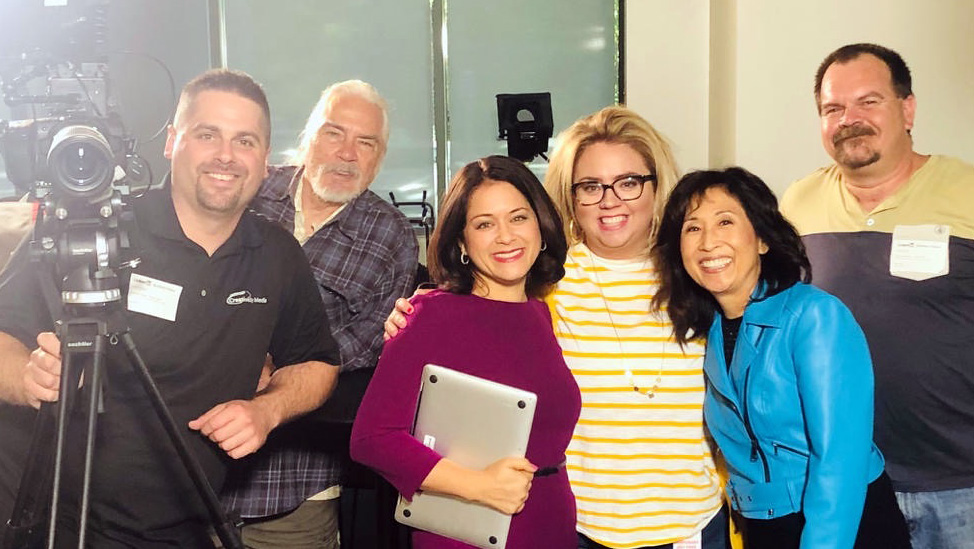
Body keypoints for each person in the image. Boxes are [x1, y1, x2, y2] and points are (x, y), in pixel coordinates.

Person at [0, 69, 341, 547]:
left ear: (265, 160)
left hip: (187, 526)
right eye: (207, 134)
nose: (226, 155)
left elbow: (317, 363)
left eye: (245, 141)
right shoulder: (91, 229)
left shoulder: (277, 255)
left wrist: (267, 410)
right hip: (54, 519)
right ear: (171, 142)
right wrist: (27, 377)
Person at [387, 107, 728, 549]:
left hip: (691, 527)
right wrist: (413, 316)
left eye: (628, 182)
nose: (610, 201)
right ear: (570, 196)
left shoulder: (699, 273)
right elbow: (469, 306)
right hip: (574, 528)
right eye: (590, 187)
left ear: (655, 184)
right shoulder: (543, 283)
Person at [651, 166, 909, 549]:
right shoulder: (710, 331)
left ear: (762, 240)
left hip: (843, 522)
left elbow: (840, 460)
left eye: (725, 222)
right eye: (692, 228)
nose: (708, 242)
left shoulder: (814, 316)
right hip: (763, 527)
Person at [779, 43, 974, 549]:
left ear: (908, 109)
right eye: (833, 108)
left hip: (960, 484)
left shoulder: (966, 192)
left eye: (868, 101)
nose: (850, 119)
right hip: (848, 480)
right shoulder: (798, 203)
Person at [220, 80, 418, 547]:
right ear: (307, 136)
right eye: (334, 133)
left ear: (379, 157)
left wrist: (278, 368)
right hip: (192, 476)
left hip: (295, 487)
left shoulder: (391, 237)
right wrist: (239, 356)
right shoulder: (246, 189)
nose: (347, 154)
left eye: (365, 142)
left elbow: (369, 341)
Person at [350, 155, 579, 548]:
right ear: (462, 242)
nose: (505, 236)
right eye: (485, 224)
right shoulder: (429, 315)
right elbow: (372, 439)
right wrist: (478, 486)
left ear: (540, 227)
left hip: (551, 525)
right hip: (467, 533)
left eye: (518, 218)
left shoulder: (540, 313)